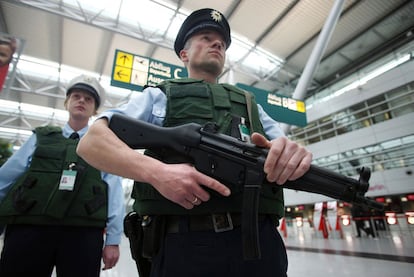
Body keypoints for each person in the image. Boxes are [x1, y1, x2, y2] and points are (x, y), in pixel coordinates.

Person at [77, 8, 312, 277]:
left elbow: (286, 150)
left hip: (259, 242)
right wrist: (157, 173)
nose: (217, 44)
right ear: (184, 54)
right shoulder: (158, 96)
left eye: (222, 43)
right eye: (206, 37)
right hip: (183, 244)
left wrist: (294, 153)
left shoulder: (250, 105)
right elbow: (92, 142)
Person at [0, 75, 125, 276]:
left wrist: (113, 240)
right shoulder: (41, 138)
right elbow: (6, 178)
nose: (82, 100)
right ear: (67, 102)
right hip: (29, 228)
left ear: (95, 111)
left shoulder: (104, 147)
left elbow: (115, 194)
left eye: (89, 99)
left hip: (82, 233)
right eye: (76, 96)